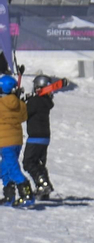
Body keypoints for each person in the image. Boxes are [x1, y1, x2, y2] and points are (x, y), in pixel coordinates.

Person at [22, 74, 61, 199]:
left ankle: (43, 185)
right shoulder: (45, 101)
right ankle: (45, 188)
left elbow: (24, 113)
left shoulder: (36, 101)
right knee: (38, 163)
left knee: (28, 162)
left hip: (35, 136)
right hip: (44, 137)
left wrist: (21, 101)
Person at [0, 73, 33, 207]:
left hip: (4, 142)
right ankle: (9, 196)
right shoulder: (20, 104)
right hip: (16, 141)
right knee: (4, 168)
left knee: (13, 169)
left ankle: (27, 195)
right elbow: (23, 118)